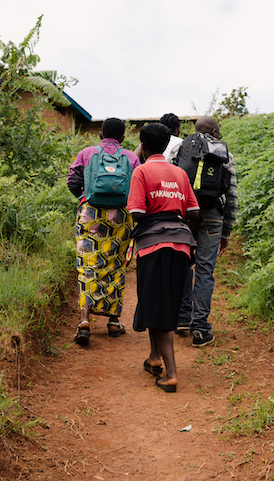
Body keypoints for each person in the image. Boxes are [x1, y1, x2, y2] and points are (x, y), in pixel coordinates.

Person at [127, 122, 200, 393]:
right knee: (162, 301)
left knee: (156, 303)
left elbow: (135, 212)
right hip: (182, 245)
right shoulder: (180, 173)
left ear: (143, 146)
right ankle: (154, 358)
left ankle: (171, 374)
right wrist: (173, 210)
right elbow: (193, 210)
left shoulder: (141, 171)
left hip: (153, 245)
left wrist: (155, 213)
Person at [67, 117, 140, 346]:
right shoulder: (131, 157)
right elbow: (136, 188)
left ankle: (85, 320)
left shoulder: (87, 153)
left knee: (88, 263)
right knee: (116, 264)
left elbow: (72, 182)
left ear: (100, 134)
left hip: (91, 214)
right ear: (122, 137)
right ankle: (113, 320)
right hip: (120, 216)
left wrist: (84, 198)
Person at [174, 115, 238, 347]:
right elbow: (232, 195)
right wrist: (226, 232)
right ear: (212, 130)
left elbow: (171, 180)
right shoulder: (225, 153)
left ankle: (181, 318)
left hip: (183, 214)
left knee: (182, 264)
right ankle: (200, 329)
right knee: (204, 270)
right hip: (213, 214)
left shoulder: (181, 147)